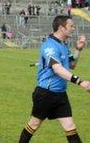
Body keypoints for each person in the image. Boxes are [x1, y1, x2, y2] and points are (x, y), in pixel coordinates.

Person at [19, 15, 90, 143]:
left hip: (60, 95)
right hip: (46, 94)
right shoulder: (49, 46)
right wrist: (80, 82)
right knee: (34, 125)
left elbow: (72, 65)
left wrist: (78, 48)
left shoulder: (63, 45)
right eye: (71, 26)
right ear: (61, 28)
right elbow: (57, 69)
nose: (74, 28)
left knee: (70, 127)